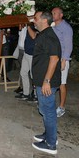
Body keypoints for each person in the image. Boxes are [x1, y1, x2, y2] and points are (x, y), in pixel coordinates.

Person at [31, 11, 61, 155]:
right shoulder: (44, 34)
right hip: (42, 81)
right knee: (46, 111)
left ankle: (50, 144)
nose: (33, 21)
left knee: (48, 111)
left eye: (35, 18)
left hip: (47, 82)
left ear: (44, 20)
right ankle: (49, 135)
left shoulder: (49, 36)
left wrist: (46, 81)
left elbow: (54, 59)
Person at [52, 7, 73, 118]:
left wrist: (64, 60)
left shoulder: (66, 28)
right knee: (50, 81)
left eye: (55, 13)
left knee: (61, 83)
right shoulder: (53, 26)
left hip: (62, 59)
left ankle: (61, 107)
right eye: (52, 13)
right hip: (52, 59)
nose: (53, 15)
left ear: (61, 15)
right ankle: (50, 104)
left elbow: (68, 46)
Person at [15, 25, 37, 101]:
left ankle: (35, 95)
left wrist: (28, 26)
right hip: (26, 52)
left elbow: (33, 36)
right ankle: (26, 93)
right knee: (23, 72)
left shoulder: (34, 25)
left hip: (33, 54)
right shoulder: (27, 25)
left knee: (33, 75)